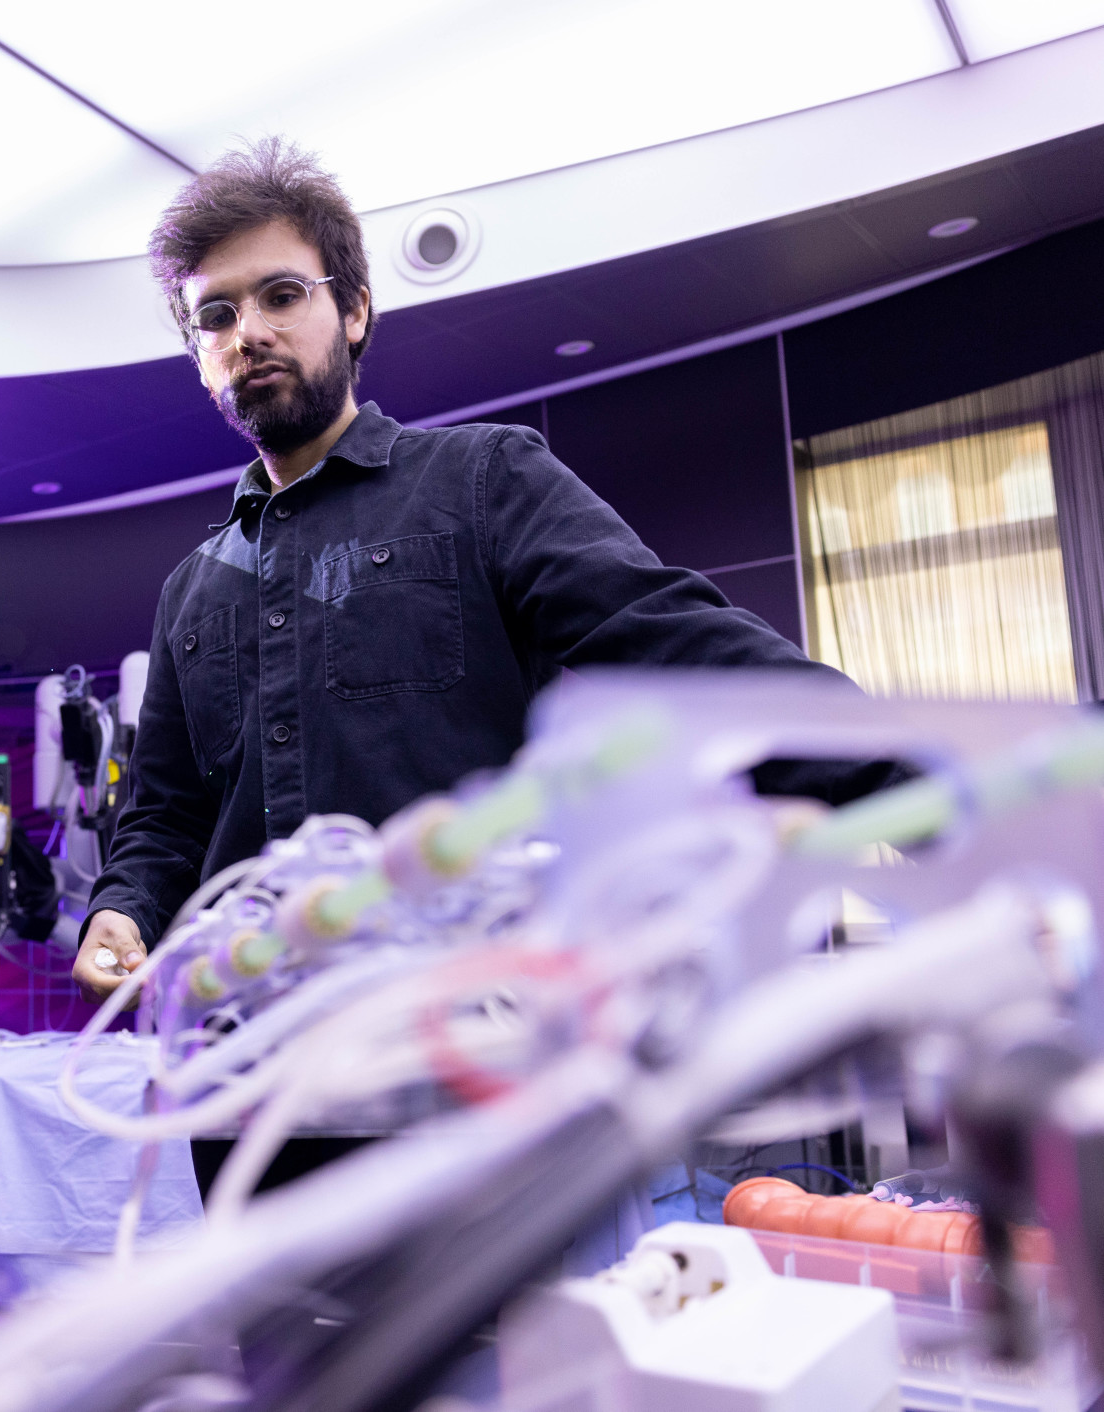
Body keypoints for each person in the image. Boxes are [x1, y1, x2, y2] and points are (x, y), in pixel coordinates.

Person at [73, 139, 894, 1187]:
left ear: (353, 309)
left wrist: (922, 778)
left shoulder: (480, 481)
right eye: (216, 315)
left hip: (470, 1079)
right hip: (251, 1094)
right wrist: (124, 906)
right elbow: (165, 816)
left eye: (281, 294)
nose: (250, 333)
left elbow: (681, 649)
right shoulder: (191, 587)